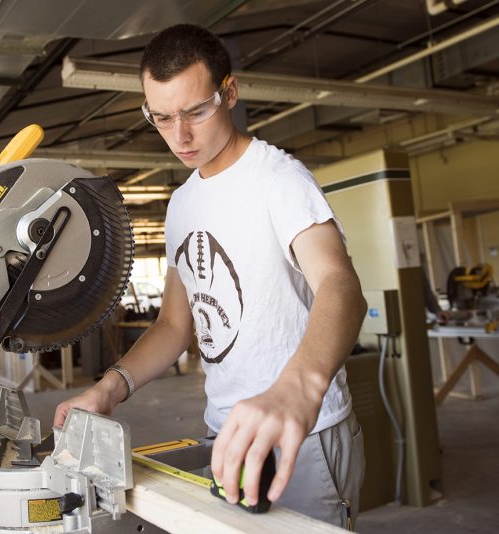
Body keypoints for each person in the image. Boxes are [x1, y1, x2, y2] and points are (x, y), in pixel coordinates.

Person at [54, 24, 367, 528]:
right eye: (161, 118)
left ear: (230, 92)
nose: (180, 136)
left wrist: (299, 389)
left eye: (196, 111)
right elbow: (175, 326)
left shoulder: (278, 180)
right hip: (226, 435)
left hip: (302, 433)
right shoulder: (182, 203)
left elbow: (340, 283)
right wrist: (108, 389)